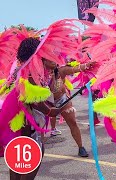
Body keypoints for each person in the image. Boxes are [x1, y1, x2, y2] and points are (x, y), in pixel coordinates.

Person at [9, 37, 62, 180]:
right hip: (28, 125)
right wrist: (50, 111)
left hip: (18, 125)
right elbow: (30, 97)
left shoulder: (20, 67)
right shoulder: (31, 70)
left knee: (16, 163)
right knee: (32, 159)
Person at [42, 58, 96, 157]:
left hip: (62, 100)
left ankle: (81, 147)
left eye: (53, 59)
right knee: (41, 127)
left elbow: (74, 69)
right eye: (50, 60)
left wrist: (86, 65)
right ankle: (38, 149)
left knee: (73, 122)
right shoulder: (38, 75)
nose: (54, 61)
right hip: (45, 103)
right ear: (43, 62)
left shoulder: (60, 71)